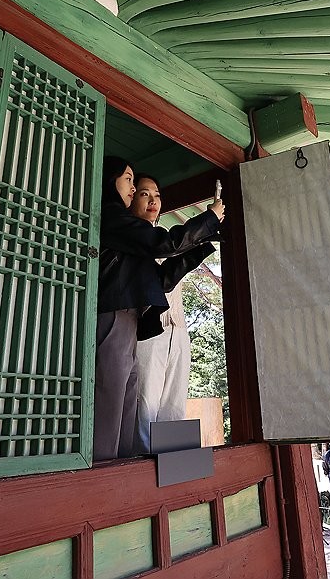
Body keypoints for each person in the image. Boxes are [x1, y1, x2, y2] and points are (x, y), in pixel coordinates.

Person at [94, 157, 223, 461]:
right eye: (132, 183)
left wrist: (205, 241)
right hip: (117, 314)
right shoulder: (115, 218)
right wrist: (208, 221)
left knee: (131, 397)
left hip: (137, 321)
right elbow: (164, 244)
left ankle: (128, 464)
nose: (151, 200)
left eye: (157, 195)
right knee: (119, 398)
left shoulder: (132, 234)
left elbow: (162, 278)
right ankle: (102, 468)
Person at [130, 174, 215, 453]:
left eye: (156, 193)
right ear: (131, 198)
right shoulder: (133, 236)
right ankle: (142, 471)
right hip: (148, 331)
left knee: (174, 403)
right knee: (146, 404)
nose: (153, 199)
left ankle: (175, 470)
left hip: (178, 328)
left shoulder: (164, 234)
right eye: (144, 194)